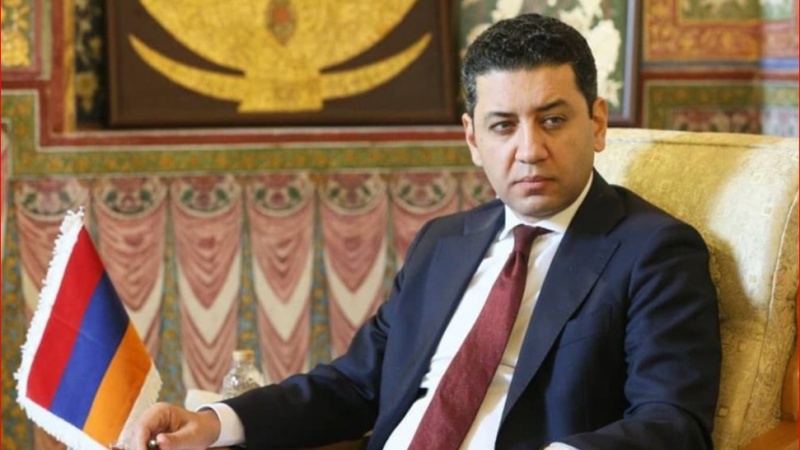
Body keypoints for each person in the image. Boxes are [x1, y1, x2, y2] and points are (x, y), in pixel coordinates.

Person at [129, 13, 721, 450]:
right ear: (472, 139)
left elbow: (672, 423)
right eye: (503, 126)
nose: (529, 149)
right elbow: (355, 386)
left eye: (552, 120)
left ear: (596, 123)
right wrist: (214, 423)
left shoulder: (654, 251)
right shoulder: (445, 242)